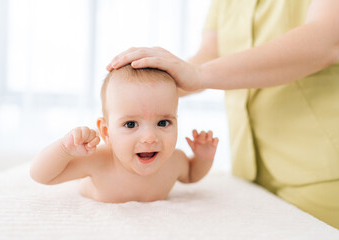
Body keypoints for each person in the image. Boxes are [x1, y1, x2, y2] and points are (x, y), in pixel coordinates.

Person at [106, 0, 339, 228]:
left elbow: (327, 40)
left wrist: (197, 74)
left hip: (321, 171)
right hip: (250, 172)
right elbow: (210, 53)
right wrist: (134, 93)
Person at [30, 65, 218, 203]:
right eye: (130, 124)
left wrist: (203, 158)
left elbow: (192, 175)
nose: (150, 137)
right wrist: (64, 149)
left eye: (163, 123)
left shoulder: (174, 160)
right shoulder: (99, 160)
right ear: (106, 131)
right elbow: (41, 175)